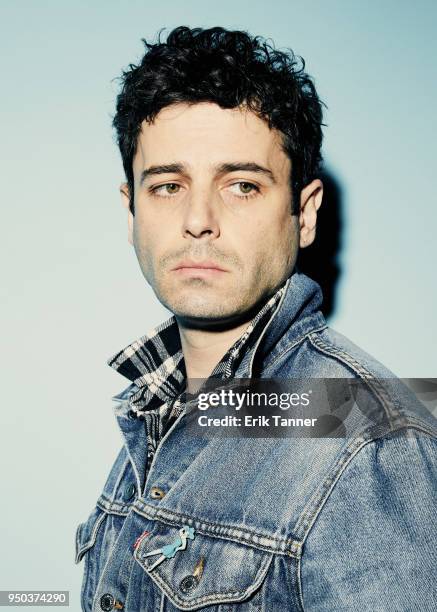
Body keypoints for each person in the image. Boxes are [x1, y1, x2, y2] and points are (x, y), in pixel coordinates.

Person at [75, 26, 436, 611]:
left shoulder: (370, 440)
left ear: (305, 213)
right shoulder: (160, 414)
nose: (198, 219)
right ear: (132, 211)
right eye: (168, 186)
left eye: (242, 185)